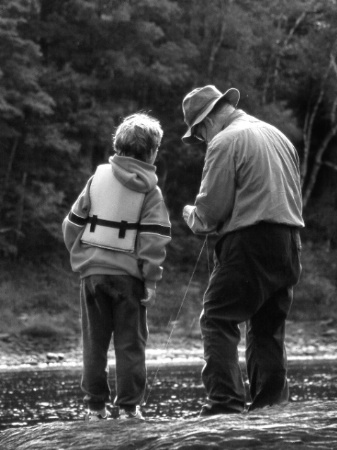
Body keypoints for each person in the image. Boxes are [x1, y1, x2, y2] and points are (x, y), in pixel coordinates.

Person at [181, 85, 304, 416]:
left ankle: (225, 406)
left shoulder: (224, 141)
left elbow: (211, 212)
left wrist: (191, 215)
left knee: (217, 318)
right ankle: (270, 406)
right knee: (267, 327)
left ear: (206, 122)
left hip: (249, 242)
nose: (202, 140)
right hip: (290, 242)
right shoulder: (278, 136)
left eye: (198, 134)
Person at [62, 113, 171, 421]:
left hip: (93, 276)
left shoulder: (96, 179)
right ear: (152, 152)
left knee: (94, 345)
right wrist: (150, 280)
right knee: (130, 345)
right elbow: (153, 240)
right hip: (129, 280)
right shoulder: (151, 191)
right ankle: (129, 408)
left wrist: (83, 256)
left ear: (118, 146)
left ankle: (95, 408)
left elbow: (72, 225)